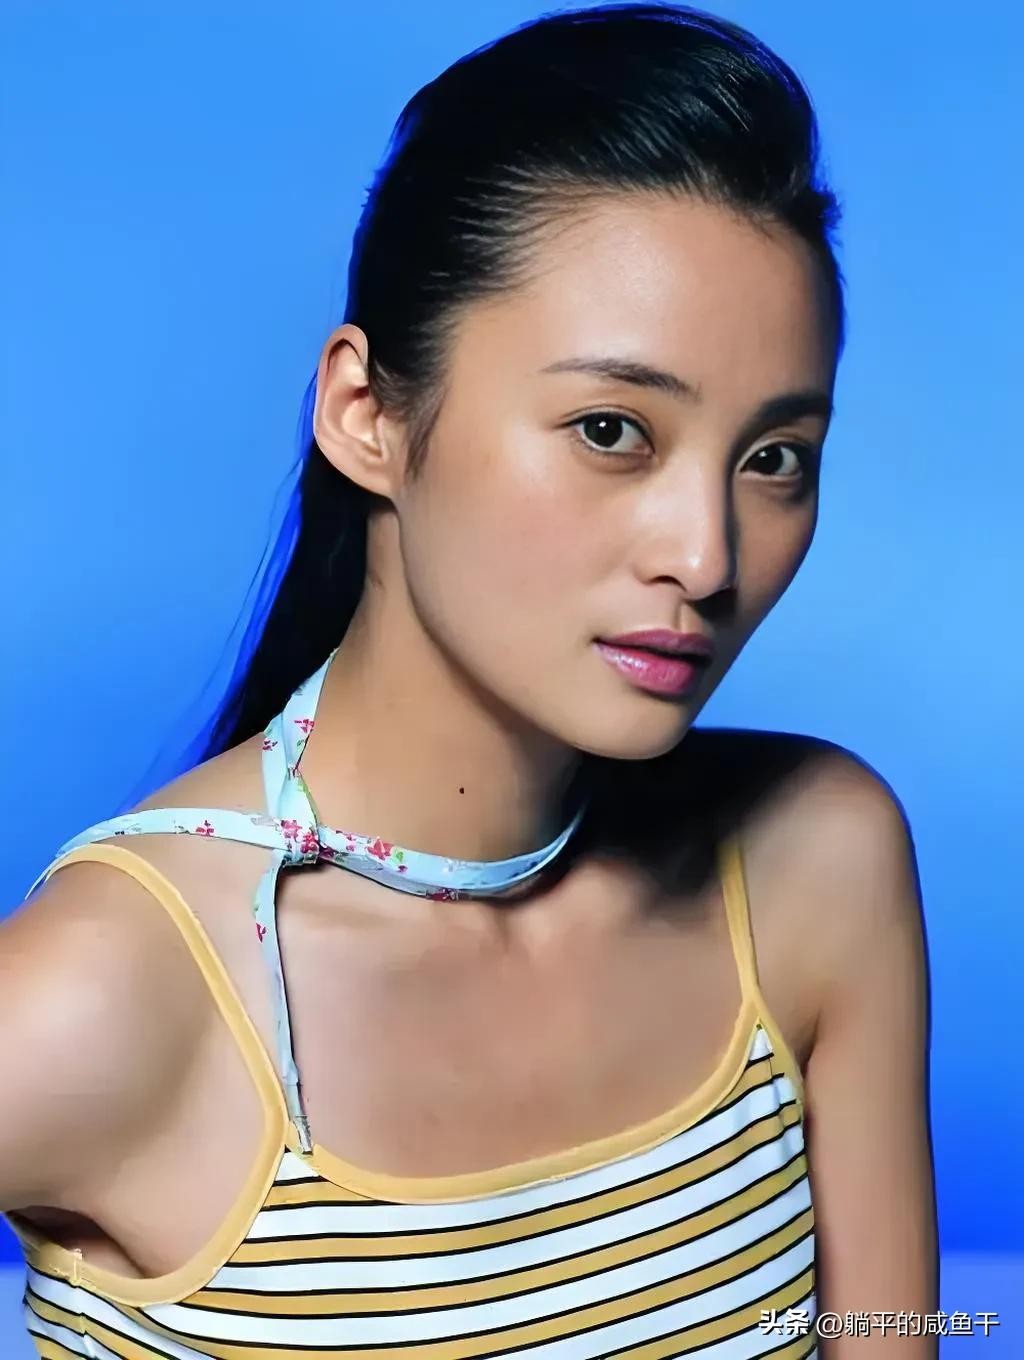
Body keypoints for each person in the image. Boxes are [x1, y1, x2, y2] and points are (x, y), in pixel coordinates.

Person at [0, 3, 938, 1356]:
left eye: (775, 457)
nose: (706, 554)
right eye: (611, 429)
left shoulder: (814, 863)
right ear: (366, 416)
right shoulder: (111, 994)